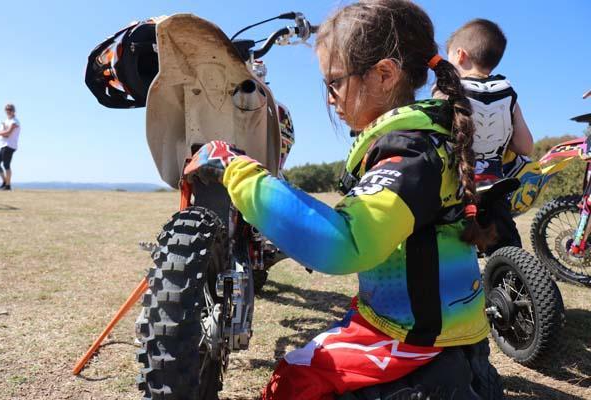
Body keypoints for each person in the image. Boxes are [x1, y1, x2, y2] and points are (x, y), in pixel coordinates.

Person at [186, 1, 497, 398]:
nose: (330, 98)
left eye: (334, 82)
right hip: (455, 331)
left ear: (384, 74)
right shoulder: (433, 137)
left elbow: (343, 245)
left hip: (412, 340)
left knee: (294, 376)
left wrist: (238, 170)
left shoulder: (409, 154)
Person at [440, 19, 534, 252]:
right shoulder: (508, 92)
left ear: (460, 55)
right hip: (495, 186)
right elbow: (525, 146)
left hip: (453, 189)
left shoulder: (447, 90)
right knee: (507, 249)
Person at [0, 103, 21, 191]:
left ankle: (8, 186)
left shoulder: (15, 122)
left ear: (13, 111)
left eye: (10, 109)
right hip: (4, 145)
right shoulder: (5, 121)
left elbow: (8, 133)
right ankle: (5, 182)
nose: (8, 111)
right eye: (7, 109)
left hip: (10, 145)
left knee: (6, 164)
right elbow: (2, 133)